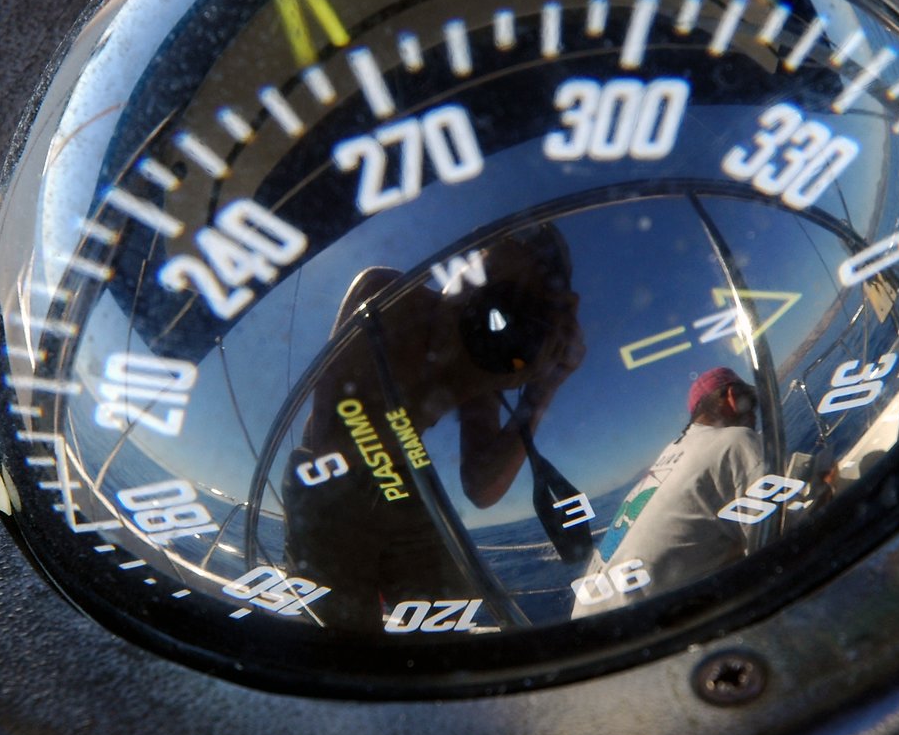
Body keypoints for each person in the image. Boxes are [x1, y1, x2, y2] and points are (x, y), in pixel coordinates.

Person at [281, 225, 585, 632]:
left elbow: (481, 487)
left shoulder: (483, 362)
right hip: (327, 485)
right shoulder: (385, 296)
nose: (489, 315)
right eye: (489, 280)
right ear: (467, 261)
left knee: (450, 619)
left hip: (406, 482)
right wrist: (470, 377)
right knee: (338, 634)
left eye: (518, 307)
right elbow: (333, 448)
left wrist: (542, 390)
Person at [572, 367, 767, 618]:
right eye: (752, 401)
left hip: (586, 624)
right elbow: (776, 535)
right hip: (640, 628)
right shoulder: (736, 440)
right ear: (732, 397)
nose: (755, 414)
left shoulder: (671, 452)